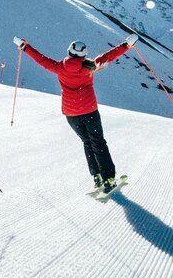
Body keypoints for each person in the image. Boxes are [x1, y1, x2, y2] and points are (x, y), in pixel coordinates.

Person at [12, 33, 139, 192]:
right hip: (89, 111)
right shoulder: (90, 66)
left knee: (87, 142)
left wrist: (24, 46)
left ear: (69, 52)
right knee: (98, 142)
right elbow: (109, 56)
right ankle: (108, 179)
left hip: (71, 114)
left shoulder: (58, 67)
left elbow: (40, 59)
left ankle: (97, 177)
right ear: (84, 54)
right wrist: (126, 45)